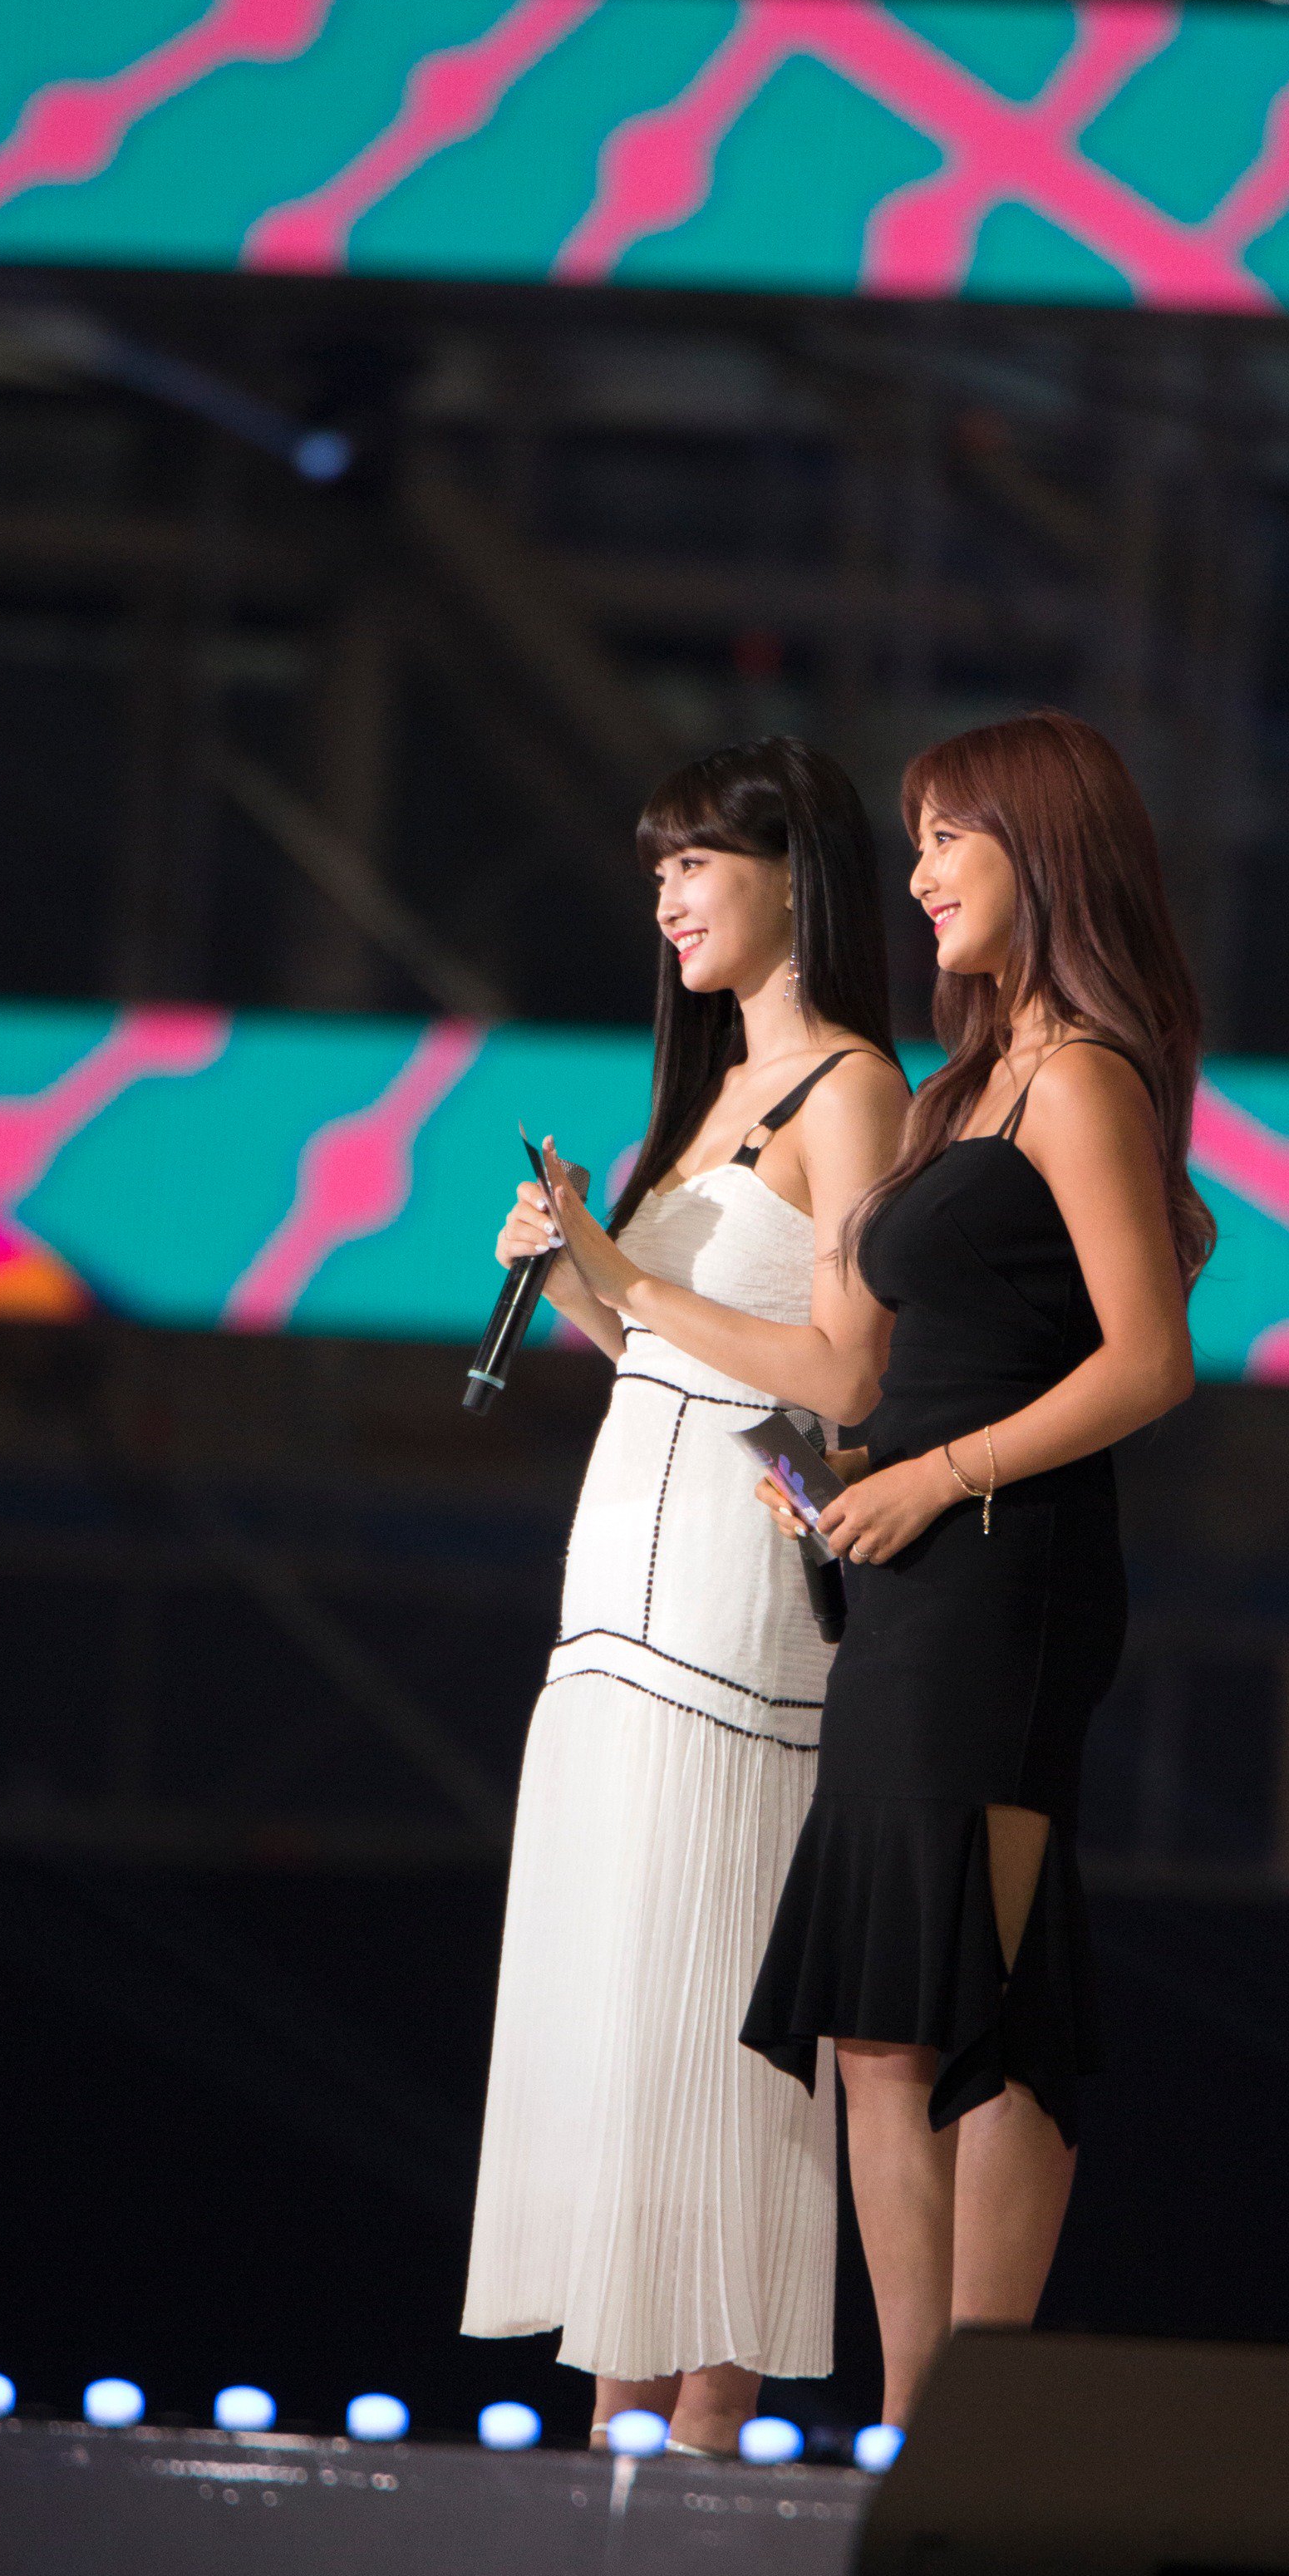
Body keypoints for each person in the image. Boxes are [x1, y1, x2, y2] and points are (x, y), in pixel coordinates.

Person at [740, 709, 1210, 2426]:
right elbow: (885, 1364)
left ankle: (959, 2426)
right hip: (911, 1576)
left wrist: (936, 1476)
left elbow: (1147, 1361)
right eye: (919, 839)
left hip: (1006, 1584)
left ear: (1045, 850)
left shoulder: (1082, 1074)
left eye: (952, 837)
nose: (921, 873)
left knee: (975, 1992)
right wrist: (848, 1479)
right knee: (881, 2019)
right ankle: (913, 2409)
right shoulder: (964, 1086)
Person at [461, 738, 908, 2458]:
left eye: (696, 862)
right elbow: (671, 1354)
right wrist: (580, 1276)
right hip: (615, 1582)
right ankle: (613, 2431)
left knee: (706, 1984)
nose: (666, 898)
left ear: (797, 874)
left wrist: (627, 1275)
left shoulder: (852, 1088)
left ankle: (699, 2440)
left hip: (731, 1586)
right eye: (657, 868)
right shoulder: (712, 1085)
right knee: (616, 1985)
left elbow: (844, 1376)